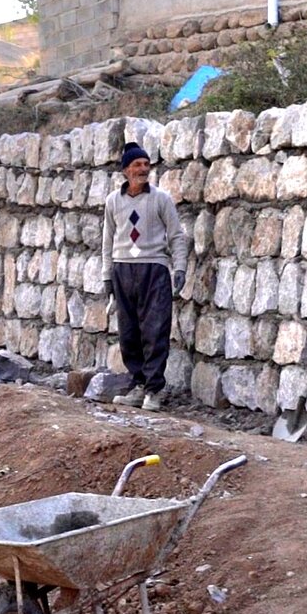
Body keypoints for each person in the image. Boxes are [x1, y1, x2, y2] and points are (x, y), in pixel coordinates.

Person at [103, 142, 188, 412]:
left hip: (154, 269)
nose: (144, 169)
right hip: (123, 269)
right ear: (126, 170)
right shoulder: (113, 201)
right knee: (129, 333)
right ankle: (138, 384)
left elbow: (176, 236)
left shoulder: (161, 198)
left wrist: (180, 268)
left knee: (155, 329)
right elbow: (107, 241)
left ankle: (153, 390)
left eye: (146, 164)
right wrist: (107, 277)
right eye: (137, 164)